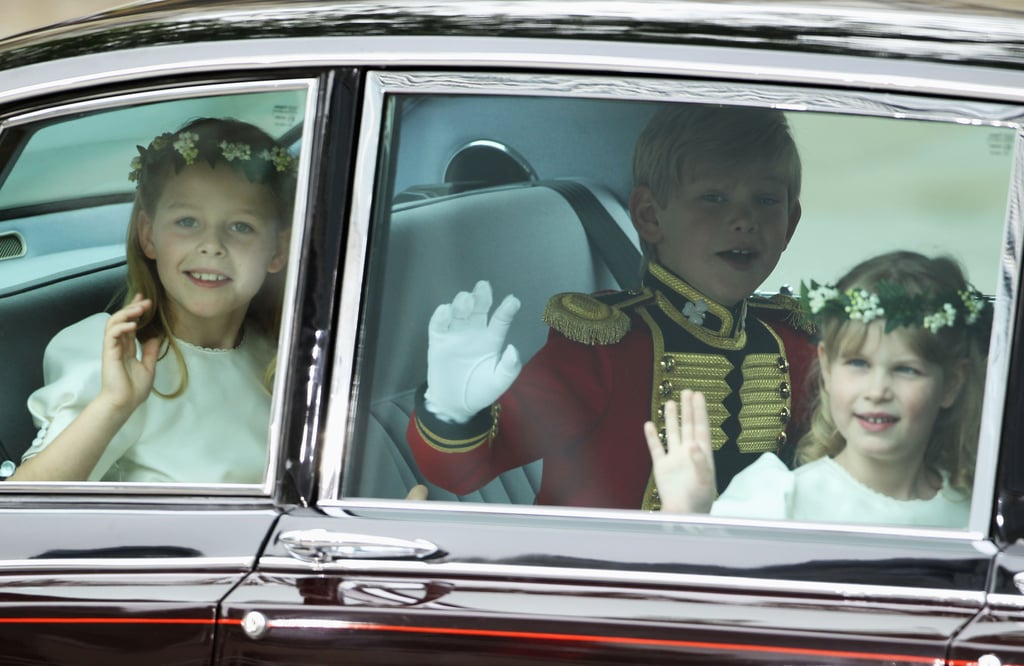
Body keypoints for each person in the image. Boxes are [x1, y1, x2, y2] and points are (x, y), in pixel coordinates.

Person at [407, 103, 816, 509]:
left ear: (791, 223)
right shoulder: (605, 348)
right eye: (714, 197)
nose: (744, 219)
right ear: (649, 215)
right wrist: (452, 410)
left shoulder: (792, 342)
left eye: (765, 201)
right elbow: (465, 469)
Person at [10, 117, 295, 483]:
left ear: (278, 251)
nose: (212, 245)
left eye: (241, 226)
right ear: (148, 236)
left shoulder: (277, 361)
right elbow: (23, 511)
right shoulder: (110, 351)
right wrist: (114, 405)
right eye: (188, 221)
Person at [646, 251, 989, 528]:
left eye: (906, 369)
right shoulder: (779, 502)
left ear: (951, 385)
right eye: (858, 364)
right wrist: (686, 517)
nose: (877, 390)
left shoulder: (976, 515)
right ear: (826, 369)